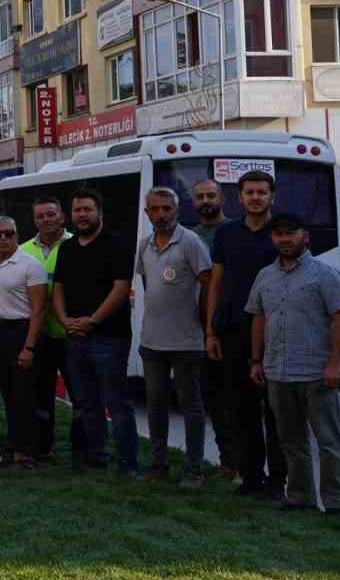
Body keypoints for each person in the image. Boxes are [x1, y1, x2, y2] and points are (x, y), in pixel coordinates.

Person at [247, 212, 340, 515]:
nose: (284, 239)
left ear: (304, 235)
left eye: (290, 233)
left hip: (316, 373)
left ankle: (335, 505)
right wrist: (256, 360)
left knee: (328, 442)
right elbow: (258, 318)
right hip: (277, 373)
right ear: (272, 238)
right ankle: (300, 498)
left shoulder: (324, 274)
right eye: (278, 234)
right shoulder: (265, 276)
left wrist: (335, 364)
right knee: (291, 443)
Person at [207, 169, 287, 500]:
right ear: (239, 198)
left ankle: (278, 483)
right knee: (241, 411)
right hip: (234, 333)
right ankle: (251, 476)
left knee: (277, 414)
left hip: (278, 334)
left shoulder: (283, 233)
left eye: (261, 192)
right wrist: (210, 331)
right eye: (249, 192)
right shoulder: (226, 234)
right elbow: (216, 284)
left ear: (272, 196)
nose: (255, 197)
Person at [52, 188, 138, 477]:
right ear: (71, 214)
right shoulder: (67, 247)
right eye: (77, 210)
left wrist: (93, 320)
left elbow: (121, 288)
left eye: (87, 209)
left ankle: (127, 463)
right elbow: (59, 288)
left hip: (110, 337)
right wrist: (65, 320)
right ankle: (96, 456)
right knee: (87, 402)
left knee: (116, 402)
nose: (82, 215)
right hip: (75, 336)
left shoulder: (116, 243)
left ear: (99, 212)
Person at [135, 187, 212, 487]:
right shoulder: (144, 246)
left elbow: (208, 285)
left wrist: (206, 327)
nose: (161, 214)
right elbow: (148, 284)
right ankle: (158, 464)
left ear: (177, 211)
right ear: (147, 213)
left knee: (191, 406)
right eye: (155, 209)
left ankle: (195, 469)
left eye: (167, 209)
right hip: (152, 342)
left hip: (186, 342)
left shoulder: (191, 242)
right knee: (155, 405)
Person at [0, 216, 41, 463]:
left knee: (24, 394)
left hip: (22, 331)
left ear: (16, 235)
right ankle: (14, 445)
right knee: (7, 394)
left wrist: (29, 346)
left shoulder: (30, 265)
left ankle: (28, 450)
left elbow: (38, 310)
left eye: (8, 233)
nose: (3, 238)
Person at [21, 196, 82, 460]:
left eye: (51, 214)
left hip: (70, 333)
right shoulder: (23, 250)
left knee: (80, 395)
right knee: (41, 396)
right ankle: (41, 447)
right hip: (39, 336)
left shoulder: (76, 245)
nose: (46, 220)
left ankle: (82, 449)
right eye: (40, 216)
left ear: (62, 216)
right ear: (34, 220)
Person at [190, 178, 233, 477]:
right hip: (199, 331)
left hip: (234, 328)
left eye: (211, 195)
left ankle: (248, 464)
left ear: (223, 199)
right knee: (215, 401)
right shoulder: (189, 237)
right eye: (200, 197)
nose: (206, 201)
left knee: (240, 402)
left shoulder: (234, 232)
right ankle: (228, 462)